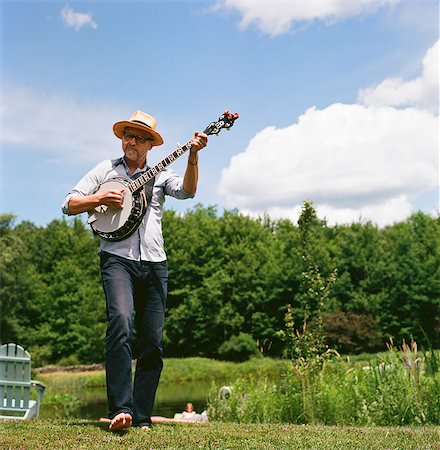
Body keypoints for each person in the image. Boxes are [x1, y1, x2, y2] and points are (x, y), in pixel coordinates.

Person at [62, 111, 208, 430]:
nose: (133, 141)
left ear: (150, 146)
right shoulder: (106, 169)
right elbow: (68, 203)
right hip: (116, 259)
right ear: (122, 138)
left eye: (141, 137)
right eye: (129, 134)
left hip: (155, 263)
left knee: (152, 341)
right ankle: (120, 410)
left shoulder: (160, 175)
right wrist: (99, 197)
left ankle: (141, 415)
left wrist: (193, 157)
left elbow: (188, 192)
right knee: (121, 322)